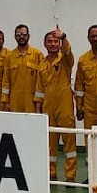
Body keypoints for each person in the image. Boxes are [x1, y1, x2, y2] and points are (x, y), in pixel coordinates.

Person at [35, 27, 77, 183]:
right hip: (48, 108)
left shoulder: (65, 60)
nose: (53, 44)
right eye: (49, 41)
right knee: (50, 144)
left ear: (59, 44)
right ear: (45, 44)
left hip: (64, 107)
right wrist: (39, 111)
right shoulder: (42, 64)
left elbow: (68, 52)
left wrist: (64, 37)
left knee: (69, 144)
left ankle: (70, 176)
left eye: (55, 41)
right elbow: (39, 90)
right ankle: (51, 173)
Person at [74, 25, 97, 129]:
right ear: (88, 38)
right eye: (92, 36)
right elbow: (79, 86)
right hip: (89, 109)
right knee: (90, 138)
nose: (95, 39)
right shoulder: (83, 59)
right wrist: (79, 107)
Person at [1, 24, 43, 113]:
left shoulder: (37, 55)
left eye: (24, 35)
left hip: (32, 102)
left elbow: (41, 82)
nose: (21, 37)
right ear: (15, 37)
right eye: (18, 35)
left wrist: (39, 104)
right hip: (14, 102)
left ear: (28, 36)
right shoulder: (9, 56)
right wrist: (5, 102)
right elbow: (6, 81)